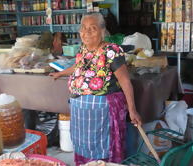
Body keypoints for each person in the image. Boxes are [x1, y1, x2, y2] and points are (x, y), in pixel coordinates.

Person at [49, 12, 142, 165]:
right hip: (80, 112)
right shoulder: (83, 49)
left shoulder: (112, 51)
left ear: (102, 31)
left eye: (92, 28)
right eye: (83, 28)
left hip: (102, 112)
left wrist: (132, 110)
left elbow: (125, 81)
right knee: (83, 145)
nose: (86, 33)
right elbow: (77, 66)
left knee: (103, 148)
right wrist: (60, 73)